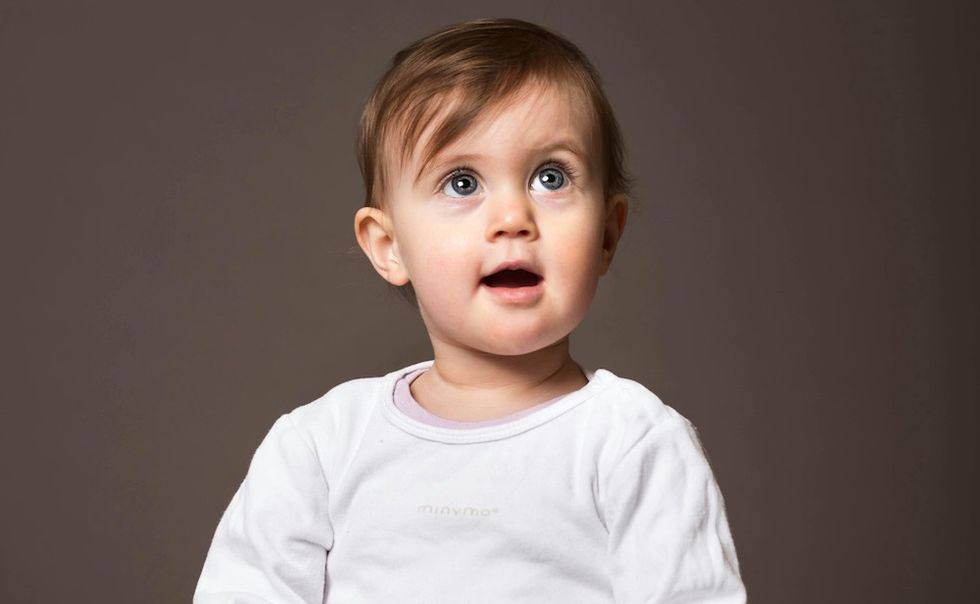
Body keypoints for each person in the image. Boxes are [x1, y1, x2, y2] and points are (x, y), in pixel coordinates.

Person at [194, 17, 746, 603]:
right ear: (390, 247)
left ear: (607, 235)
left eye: (549, 177)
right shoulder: (322, 446)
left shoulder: (633, 444)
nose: (513, 218)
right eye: (462, 183)